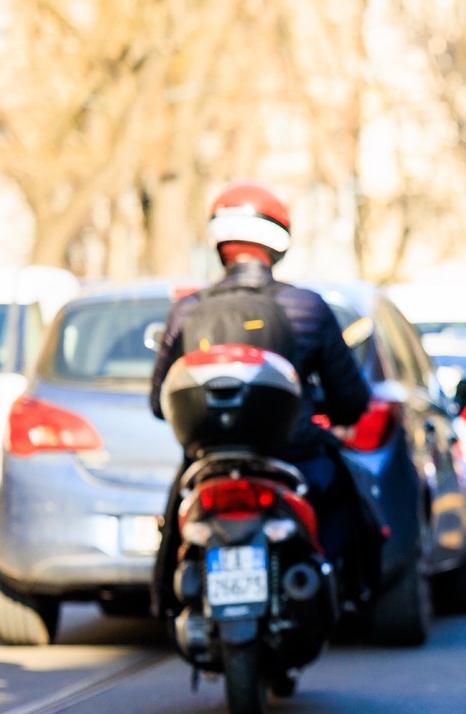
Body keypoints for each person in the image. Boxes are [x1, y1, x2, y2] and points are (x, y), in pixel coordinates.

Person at [149, 181, 372, 620]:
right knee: (354, 500)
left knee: (173, 524)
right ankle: (347, 591)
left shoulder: (187, 310)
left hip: (208, 463)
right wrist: (330, 412)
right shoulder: (307, 308)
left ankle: (167, 599)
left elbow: (160, 401)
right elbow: (350, 398)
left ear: (218, 244)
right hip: (296, 457)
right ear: (280, 241)